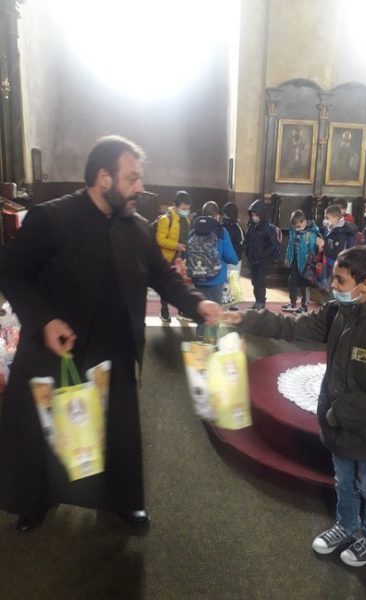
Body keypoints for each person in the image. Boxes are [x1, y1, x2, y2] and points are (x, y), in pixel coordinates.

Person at [0, 135, 222, 532]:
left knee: (118, 434)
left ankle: (125, 503)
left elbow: (164, 277)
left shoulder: (138, 228)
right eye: (132, 178)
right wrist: (45, 320)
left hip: (113, 350)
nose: (141, 187)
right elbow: (12, 273)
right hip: (56, 348)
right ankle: (36, 500)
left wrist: (198, 304)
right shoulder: (51, 218)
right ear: (104, 178)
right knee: (45, 430)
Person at [223, 245, 366, 567]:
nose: (332, 285)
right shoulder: (337, 313)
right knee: (343, 480)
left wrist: (350, 409)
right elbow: (293, 326)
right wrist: (245, 318)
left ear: (365, 285)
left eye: (340, 280)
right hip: (337, 421)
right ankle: (347, 525)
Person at [189, 201, 238, 341]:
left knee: (201, 309)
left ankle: (199, 338)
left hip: (198, 277)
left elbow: (188, 253)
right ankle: (211, 340)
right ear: (217, 215)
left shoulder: (194, 231)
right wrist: (234, 260)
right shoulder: (221, 232)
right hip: (216, 279)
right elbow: (231, 256)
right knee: (214, 311)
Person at [155, 190, 193, 322]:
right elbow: (160, 239)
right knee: (166, 285)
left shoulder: (186, 220)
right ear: (175, 206)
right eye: (183, 209)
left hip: (181, 258)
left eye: (187, 209)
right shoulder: (165, 219)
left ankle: (181, 311)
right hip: (167, 258)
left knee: (181, 285)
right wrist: (176, 245)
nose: (185, 211)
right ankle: (164, 310)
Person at [282, 209, 323, 314]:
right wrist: (287, 257)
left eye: (299, 226)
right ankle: (292, 303)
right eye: (295, 227)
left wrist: (312, 262)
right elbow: (290, 245)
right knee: (291, 281)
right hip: (295, 261)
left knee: (304, 285)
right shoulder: (293, 231)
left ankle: (304, 306)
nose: (297, 229)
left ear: (304, 222)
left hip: (306, 263)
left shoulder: (311, 233)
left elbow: (313, 250)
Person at [244, 198, 275, 310]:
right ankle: (257, 301)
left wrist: (263, 255)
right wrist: (248, 254)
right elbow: (248, 241)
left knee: (260, 283)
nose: (254, 217)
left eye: (256, 215)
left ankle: (261, 302)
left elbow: (272, 244)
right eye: (252, 215)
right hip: (253, 260)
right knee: (255, 282)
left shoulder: (267, 228)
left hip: (262, 261)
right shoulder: (252, 226)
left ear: (261, 214)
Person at [322, 204, 357, 288]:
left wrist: (324, 250)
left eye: (327, 218)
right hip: (329, 260)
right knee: (329, 281)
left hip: (336, 262)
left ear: (335, 218)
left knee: (334, 283)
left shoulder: (342, 232)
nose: (325, 220)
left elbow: (338, 252)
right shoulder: (330, 228)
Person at [221, 202, 244, 273]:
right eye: (224, 214)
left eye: (226, 215)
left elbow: (242, 246)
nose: (224, 217)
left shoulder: (238, 228)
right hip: (222, 262)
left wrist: (233, 257)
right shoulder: (221, 227)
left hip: (234, 263)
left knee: (233, 279)